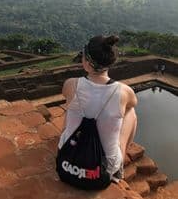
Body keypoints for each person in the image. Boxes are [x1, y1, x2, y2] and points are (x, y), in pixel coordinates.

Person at [58, 35, 137, 182]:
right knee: (130, 112)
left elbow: (66, 95)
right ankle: (117, 168)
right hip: (101, 172)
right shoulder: (124, 91)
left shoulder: (71, 84)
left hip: (67, 163)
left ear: (87, 62)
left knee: (71, 106)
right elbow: (132, 103)